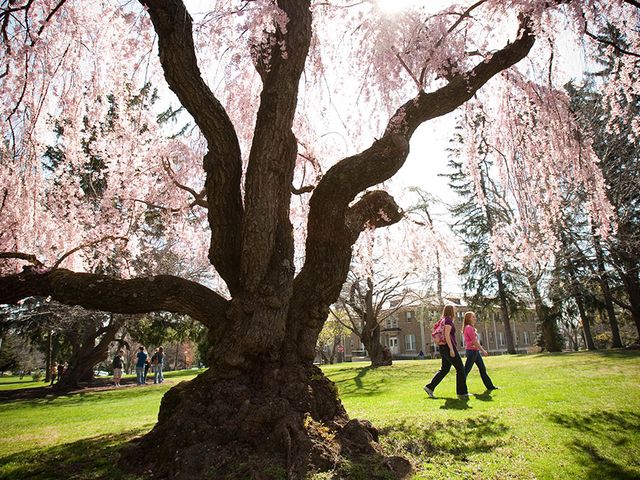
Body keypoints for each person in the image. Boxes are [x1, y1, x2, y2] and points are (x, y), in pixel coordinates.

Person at [423, 305, 470, 400]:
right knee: (460, 369)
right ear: (451, 311)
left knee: (444, 369)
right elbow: (446, 335)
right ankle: (462, 393)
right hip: (448, 347)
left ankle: (429, 387)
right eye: (454, 310)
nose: (455, 311)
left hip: (443, 347)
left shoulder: (443, 320)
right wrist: (451, 349)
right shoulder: (448, 320)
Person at [463, 311, 498, 391]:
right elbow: (474, 341)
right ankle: (461, 388)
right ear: (468, 319)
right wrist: (483, 350)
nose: (475, 318)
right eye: (473, 317)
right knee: (466, 370)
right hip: (471, 351)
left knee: (482, 369)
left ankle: (490, 387)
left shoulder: (471, 328)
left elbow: (475, 342)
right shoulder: (468, 328)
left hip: (475, 351)